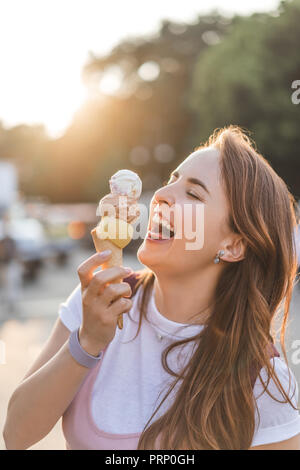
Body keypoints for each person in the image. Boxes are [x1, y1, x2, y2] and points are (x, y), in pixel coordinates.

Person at [3, 126, 300, 450]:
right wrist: (87, 342)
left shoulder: (263, 380)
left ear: (233, 246)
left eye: (194, 193)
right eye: (171, 180)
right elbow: (16, 434)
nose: (161, 195)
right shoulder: (99, 300)